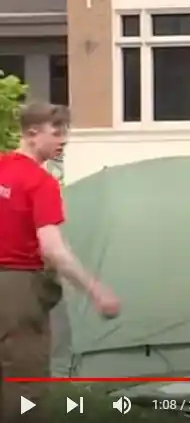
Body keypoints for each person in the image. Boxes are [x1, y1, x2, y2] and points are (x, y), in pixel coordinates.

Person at [0, 103, 119, 422]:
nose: (63, 140)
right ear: (32, 133)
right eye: (57, 133)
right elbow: (52, 248)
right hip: (19, 288)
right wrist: (95, 289)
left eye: (65, 133)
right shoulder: (41, 183)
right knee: (24, 381)